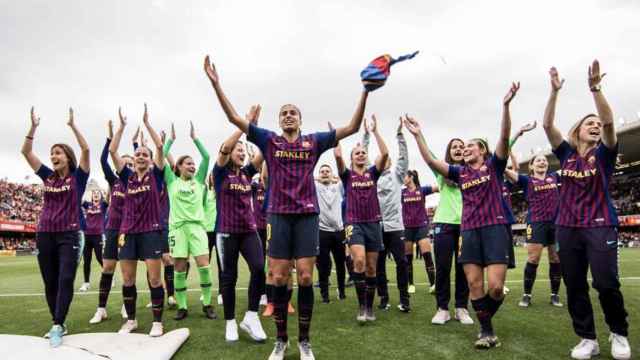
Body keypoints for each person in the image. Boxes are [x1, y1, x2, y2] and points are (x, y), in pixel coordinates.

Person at [204, 54, 369, 360]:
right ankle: (281, 341)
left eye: (293, 112)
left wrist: (366, 90)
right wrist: (216, 85)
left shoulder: (314, 141)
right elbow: (233, 119)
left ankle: (304, 342)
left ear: (301, 120)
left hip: (307, 217)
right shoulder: (269, 141)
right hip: (277, 217)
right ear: (279, 121)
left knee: (305, 277)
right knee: (278, 278)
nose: (289, 116)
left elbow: (354, 126)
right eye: (284, 113)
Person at [405, 81, 520, 349]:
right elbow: (432, 162)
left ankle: (483, 320)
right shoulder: (460, 173)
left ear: (482, 151)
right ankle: (486, 331)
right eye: (463, 147)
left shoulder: (494, 167)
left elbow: (504, 139)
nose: (466, 148)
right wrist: (418, 135)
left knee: (494, 287)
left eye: (471, 146)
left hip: (494, 229)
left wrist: (505, 106)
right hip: (469, 230)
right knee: (473, 283)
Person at [542, 63, 630, 360]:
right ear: (576, 131)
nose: (595, 125)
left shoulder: (604, 154)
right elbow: (546, 125)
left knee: (606, 283)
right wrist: (554, 92)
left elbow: (608, 124)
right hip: (567, 228)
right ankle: (587, 338)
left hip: (600, 225)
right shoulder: (565, 155)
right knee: (575, 285)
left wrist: (595, 90)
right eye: (588, 123)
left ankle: (618, 333)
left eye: (596, 124)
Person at [21, 107, 90, 347]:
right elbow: (26, 151)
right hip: (45, 235)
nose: (53, 156)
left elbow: (86, 149)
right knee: (50, 281)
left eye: (58, 152)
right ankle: (57, 322)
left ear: (67, 157)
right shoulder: (47, 176)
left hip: (69, 234)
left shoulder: (78, 178)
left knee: (65, 279)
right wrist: (33, 128)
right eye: (51, 153)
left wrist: (72, 126)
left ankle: (58, 324)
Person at [109, 105, 166, 337]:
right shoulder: (126, 178)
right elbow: (113, 152)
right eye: (138, 154)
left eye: (145, 154)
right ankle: (131, 320)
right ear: (133, 159)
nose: (141, 156)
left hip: (151, 232)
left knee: (154, 278)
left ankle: (157, 322)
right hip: (127, 232)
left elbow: (160, 146)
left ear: (151, 160)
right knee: (128, 279)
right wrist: (121, 127)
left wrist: (148, 124)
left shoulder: (157, 176)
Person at [213, 105, 268, 343]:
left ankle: (251, 316)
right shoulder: (220, 173)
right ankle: (230, 323)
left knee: (258, 268)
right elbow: (224, 147)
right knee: (229, 278)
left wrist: (252, 129)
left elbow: (264, 153)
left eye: (244, 149)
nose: (242, 152)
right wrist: (241, 124)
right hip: (226, 233)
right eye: (239, 149)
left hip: (249, 231)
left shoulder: (247, 173)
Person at [161, 122, 217, 320]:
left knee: (204, 265)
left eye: (193, 163)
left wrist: (195, 139)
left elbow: (207, 157)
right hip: (177, 230)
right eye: (188, 163)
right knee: (179, 267)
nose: (193, 166)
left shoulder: (199, 180)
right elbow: (160, 157)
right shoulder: (171, 181)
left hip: (197, 228)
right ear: (178, 167)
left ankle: (208, 304)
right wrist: (170, 140)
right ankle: (182, 307)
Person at [335, 115, 389, 323]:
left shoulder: (373, 173)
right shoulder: (347, 175)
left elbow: (385, 153)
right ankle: (360, 307)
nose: (360, 155)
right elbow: (338, 159)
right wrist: (336, 144)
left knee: (371, 268)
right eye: (356, 153)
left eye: (363, 153)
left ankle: (369, 306)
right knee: (358, 260)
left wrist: (374, 131)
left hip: (373, 223)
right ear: (352, 158)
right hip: (353, 223)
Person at [363, 118, 411, 311]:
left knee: (402, 262)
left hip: (396, 227)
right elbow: (363, 153)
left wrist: (400, 135)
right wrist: (367, 134)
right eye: (380, 160)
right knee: (379, 265)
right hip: (376, 227)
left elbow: (403, 157)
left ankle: (404, 299)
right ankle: (383, 297)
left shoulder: (397, 175)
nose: (384, 161)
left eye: (386, 159)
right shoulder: (370, 176)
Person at [89, 120, 133, 324]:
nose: (127, 165)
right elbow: (102, 159)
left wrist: (136, 146)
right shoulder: (113, 181)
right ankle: (101, 308)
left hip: (130, 231)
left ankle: (127, 305)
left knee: (126, 274)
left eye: (130, 163)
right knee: (107, 268)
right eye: (125, 162)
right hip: (112, 229)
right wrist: (109, 138)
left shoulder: (137, 182)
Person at [401, 169, 438, 295]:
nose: (403, 179)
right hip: (407, 228)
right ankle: (411, 284)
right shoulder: (402, 192)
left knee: (427, 256)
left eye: (404, 176)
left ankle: (433, 284)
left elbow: (439, 188)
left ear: (411, 177)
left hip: (421, 227)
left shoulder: (422, 190)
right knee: (408, 258)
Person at [315, 164, 347, 303]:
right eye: (322, 172)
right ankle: (325, 294)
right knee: (323, 265)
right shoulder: (315, 187)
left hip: (339, 231)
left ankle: (341, 291)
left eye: (327, 171)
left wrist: (336, 178)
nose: (325, 173)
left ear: (332, 173)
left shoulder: (338, 186)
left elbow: (346, 176)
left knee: (340, 263)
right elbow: (306, 177)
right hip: (322, 231)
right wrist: (318, 179)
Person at [79, 189, 108, 292]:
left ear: (100, 196)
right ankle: (86, 283)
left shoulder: (103, 205)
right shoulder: (88, 205)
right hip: (87, 235)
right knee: (86, 261)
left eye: (97, 193)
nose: (96, 195)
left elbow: (109, 198)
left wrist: (108, 187)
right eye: (94, 193)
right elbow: (79, 198)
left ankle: (110, 276)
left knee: (100, 258)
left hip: (98, 236)